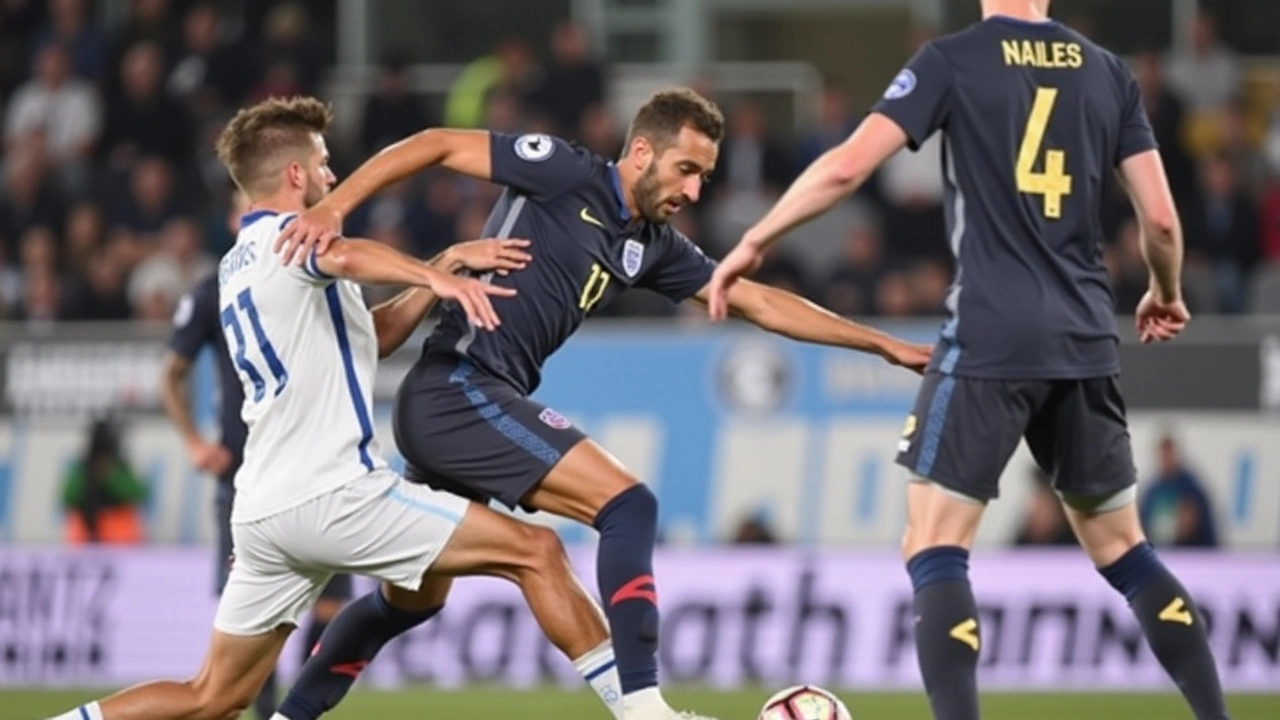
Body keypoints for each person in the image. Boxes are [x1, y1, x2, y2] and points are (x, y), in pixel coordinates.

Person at [274, 86, 931, 720]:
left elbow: (756, 300)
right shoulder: (564, 171)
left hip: (469, 404)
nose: (694, 190)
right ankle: (644, 706)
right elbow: (438, 144)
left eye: (704, 176)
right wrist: (338, 208)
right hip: (459, 386)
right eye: (686, 170)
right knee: (628, 504)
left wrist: (879, 344)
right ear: (641, 152)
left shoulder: (651, 246)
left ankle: (289, 716)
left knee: (408, 604)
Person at [704, 2, 1229, 720]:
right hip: (1084, 337)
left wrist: (754, 241)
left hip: (988, 333)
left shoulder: (952, 59)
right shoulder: (1111, 73)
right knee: (1124, 550)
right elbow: (1162, 220)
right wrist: (1165, 291)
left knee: (934, 542)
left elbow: (848, 165)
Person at [46, 95, 614, 720]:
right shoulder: (295, 241)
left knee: (212, 696)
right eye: (322, 163)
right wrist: (438, 282)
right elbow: (340, 254)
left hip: (263, 511)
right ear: (295, 175)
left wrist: (441, 263)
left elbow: (367, 339)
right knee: (536, 552)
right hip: (332, 494)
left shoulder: (238, 265)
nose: (332, 177)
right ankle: (642, 711)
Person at [161, 192, 352, 720]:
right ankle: (266, 709)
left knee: (334, 611)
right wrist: (195, 442)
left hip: (312, 468)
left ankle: (289, 710)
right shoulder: (211, 291)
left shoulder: (298, 276)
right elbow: (170, 373)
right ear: (232, 220)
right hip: (247, 476)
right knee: (252, 627)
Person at [61, 417, 147, 544]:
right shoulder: (82, 468)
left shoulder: (119, 468)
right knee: (76, 522)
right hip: (86, 531)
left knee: (125, 520)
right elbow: (67, 496)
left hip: (117, 535)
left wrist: (110, 475)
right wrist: (89, 478)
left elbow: (138, 493)